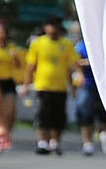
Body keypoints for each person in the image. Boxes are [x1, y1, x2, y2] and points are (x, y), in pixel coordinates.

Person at [22, 17, 76, 155]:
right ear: (45, 27)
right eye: (50, 25)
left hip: (60, 86)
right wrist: (27, 85)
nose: (53, 28)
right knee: (42, 114)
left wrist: (72, 87)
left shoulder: (66, 44)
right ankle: (42, 142)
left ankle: (55, 142)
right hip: (43, 85)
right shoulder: (38, 43)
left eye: (56, 25)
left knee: (58, 116)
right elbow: (30, 66)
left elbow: (70, 67)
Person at [74, 35, 106, 155]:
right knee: (85, 112)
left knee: (105, 113)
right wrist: (86, 66)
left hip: (105, 85)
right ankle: (88, 142)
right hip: (88, 84)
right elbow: (75, 61)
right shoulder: (81, 46)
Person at [0, 20, 21, 152]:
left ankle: (5, 135)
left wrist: (15, 58)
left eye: (2, 30)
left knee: (9, 112)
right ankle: (2, 137)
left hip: (8, 81)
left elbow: (18, 65)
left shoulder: (11, 47)